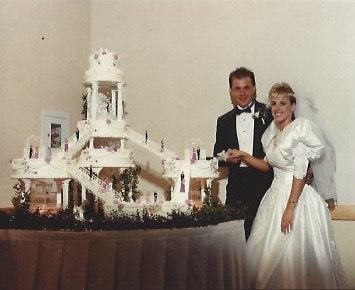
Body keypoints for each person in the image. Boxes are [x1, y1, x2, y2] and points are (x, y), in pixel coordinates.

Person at [228, 83, 346, 289]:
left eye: (283, 103)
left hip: (297, 199)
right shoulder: (271, 133)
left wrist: (290, 207)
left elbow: (301, 169)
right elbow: (267, 165)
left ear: (293, 106)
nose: (277, 108)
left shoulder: (300, 128)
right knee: (265, 260)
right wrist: (244, 155)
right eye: (273, 103)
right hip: (274, 196)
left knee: (295, 259)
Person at [213, 67, 273, 239]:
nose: (242, 93)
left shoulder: (270, 114)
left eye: (246, 87)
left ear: (254, 88)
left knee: (262, 241)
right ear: (231, 91)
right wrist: (227, 158)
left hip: (265, 187)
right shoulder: (223, 121)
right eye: (237, 88)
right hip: (236, 189)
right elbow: (218, 154)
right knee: (234, 240)